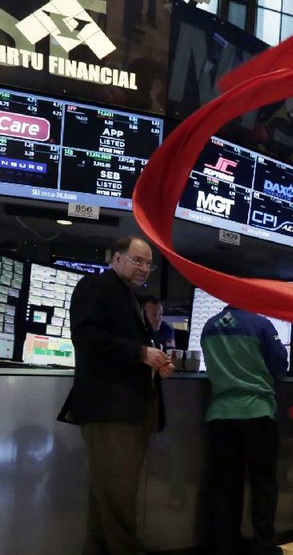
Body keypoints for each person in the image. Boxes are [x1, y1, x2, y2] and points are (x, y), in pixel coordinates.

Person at [57, 235, 173, 555]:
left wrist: (154, 363)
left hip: (127, 413)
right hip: (111, 412)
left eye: (149, 263)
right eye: (137, 260)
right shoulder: (96, 287)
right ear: (116, 259)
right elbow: (88, 338)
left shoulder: (128, 297)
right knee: (119, 499)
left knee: (107, 500)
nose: (144, 268)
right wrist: (141, 354)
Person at [201, 304, 288, 555]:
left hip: (220, 414)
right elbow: (279, 366)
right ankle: (263, 547)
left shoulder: (208, 327)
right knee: (263, 484)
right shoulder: (261, 324)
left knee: (225, 484)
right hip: (257, 412)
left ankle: (226, 546)